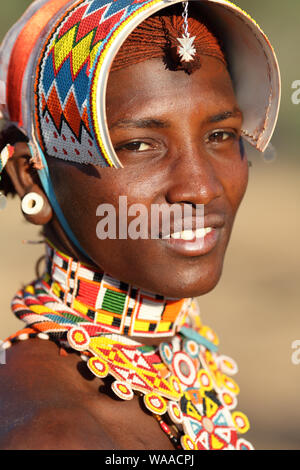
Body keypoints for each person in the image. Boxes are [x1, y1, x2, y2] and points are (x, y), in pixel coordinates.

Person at [0, 0, 280, 450]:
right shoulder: (54, 434)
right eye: (138, 145)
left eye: (220, 135)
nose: (200, 187)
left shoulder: (171, 359)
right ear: (31, 175)